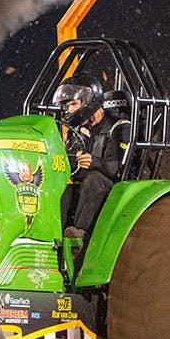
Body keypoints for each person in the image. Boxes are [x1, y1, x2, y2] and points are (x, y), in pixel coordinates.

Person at [52, 74, 130, 240]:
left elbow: (118, 169)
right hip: (85, 185)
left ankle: (79, 239)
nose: (70, 110)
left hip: (112, 187)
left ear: (89, 101)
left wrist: (94, 161)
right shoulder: (79, 131)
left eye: (73, 104)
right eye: (67, 106)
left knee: (93, 180)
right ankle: (54, 239)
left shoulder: (118, 127)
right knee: (64, 191)